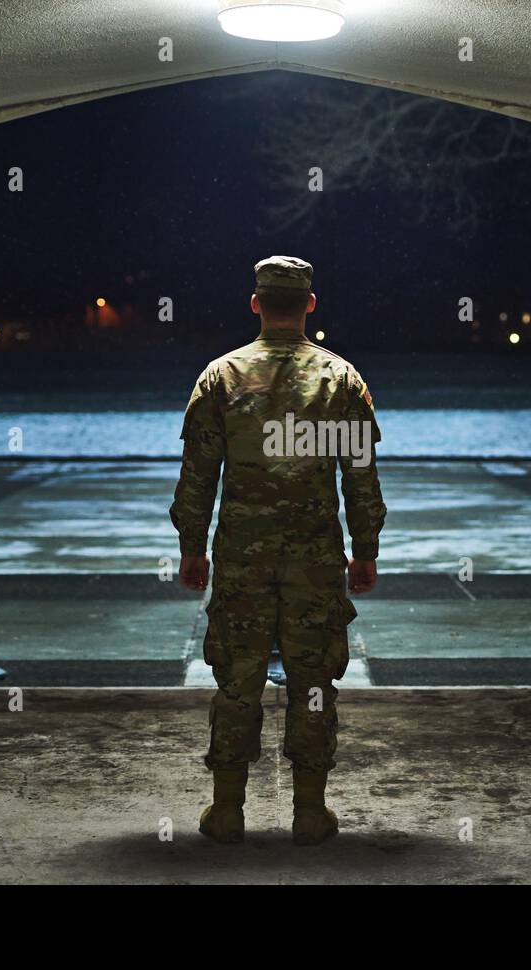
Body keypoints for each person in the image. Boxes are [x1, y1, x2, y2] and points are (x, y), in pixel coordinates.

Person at [170, 255, 386, 846]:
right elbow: (360, 477)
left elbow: (198, 476)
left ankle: (228, 811)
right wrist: (364, 550)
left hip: (241, 555)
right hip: (315, 558)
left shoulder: (221, 376)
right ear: (310, 305)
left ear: (256, 303)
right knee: (313, 680)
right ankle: (311, 814)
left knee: (237, 680)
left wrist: (192, 548)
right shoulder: (342, 380)